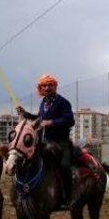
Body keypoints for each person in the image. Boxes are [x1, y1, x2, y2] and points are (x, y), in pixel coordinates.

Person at [16, 74, 75, 207]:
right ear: (41, 88)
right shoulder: (44, 103)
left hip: (61, 142)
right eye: (44, 86)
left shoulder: (63, 102)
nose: (47, 88)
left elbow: (70, 120)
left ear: (55, 86)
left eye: (50, 85)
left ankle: (67, 198)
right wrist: (25, 114)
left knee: (65, 166)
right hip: (45, 141)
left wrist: (51, 122)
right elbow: (40, 119)